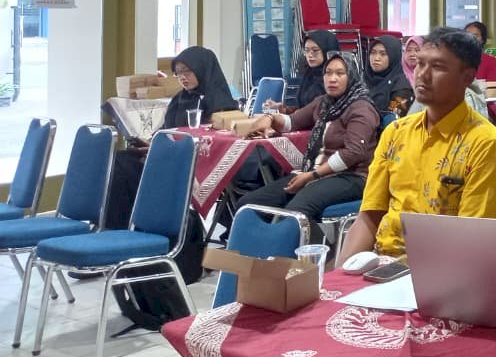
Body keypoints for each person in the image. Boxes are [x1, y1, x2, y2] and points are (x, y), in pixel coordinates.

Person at [339, 28, 496, 260]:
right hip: (380, 264)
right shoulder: (396, 132)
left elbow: (469, 242)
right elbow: (369, 217)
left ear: (467, 77)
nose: (423, 74)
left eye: (438, 67)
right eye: (420, 64)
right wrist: (337, 282)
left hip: (439, 268)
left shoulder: (485, 145)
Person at [238, 51, 378, 235]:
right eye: (328, 73)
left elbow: (352, 153)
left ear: (351, 76)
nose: (332, 79)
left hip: (351, 177)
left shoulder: (361, 108)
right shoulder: (324, 103)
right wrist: (270, 118)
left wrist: (312, 175)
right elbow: (292, 121)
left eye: (340, 73)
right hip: (315, 173)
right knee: (248, 205)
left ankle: (321, 260)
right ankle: (258, 258)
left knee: (295, 214)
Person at [104, 45, 240, 231]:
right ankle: (117, 226)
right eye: (178, 73)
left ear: (202, 69)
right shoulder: (180, 99)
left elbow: (214, 140)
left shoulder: (220, 101)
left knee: (128, 168)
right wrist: (152, 142)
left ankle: (145, 223)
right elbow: (166, 129)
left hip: (192, 160)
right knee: (118, 160)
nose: (183, 77)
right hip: (166, 152)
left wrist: (165, 148)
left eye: (187, 71)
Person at [266, 29, 337, 113]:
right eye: (306, 51)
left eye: (315, 50)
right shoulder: (309, 74)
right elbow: (303, 108)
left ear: (327, 50)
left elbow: (319, 112)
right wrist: (284, 109)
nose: (310, 55)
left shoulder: (334, 78)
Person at [363, 34, 414, 118]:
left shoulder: (402, 88)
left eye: (383, 54)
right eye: (373, 53)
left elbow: (394, 119)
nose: (376, 58)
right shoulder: (364, 79)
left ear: (393, 56)